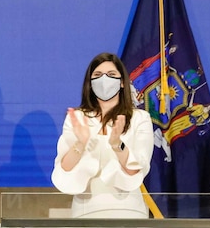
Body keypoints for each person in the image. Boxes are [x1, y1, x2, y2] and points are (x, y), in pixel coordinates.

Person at [51, 52, 154, 218]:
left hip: (129, 211)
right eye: (97, 75)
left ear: (122, 83)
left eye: (111, 75)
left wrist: (117, 144)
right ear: (90, 84)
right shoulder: (77, 118)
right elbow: (65, 168)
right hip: (86, 211)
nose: (104, 80)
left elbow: (137, 170)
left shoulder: (140, 119)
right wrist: (81, 143)